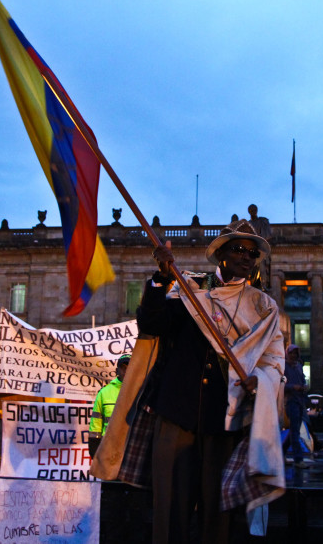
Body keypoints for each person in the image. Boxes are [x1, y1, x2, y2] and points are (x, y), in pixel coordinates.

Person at [94, 219, 285, 543]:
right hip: (176, 417)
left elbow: (273, 361)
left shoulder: (262, 306)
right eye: (239, 249)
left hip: (224, 423)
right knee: (170, 515)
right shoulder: (190, 291)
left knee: (218, 519)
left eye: (252, 254)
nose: (246, 257)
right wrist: (159, 280)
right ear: (221, 254)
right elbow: (152, 325)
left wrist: (261, 379)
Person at [88, 354, 130, 457]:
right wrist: (94, 449)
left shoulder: (140, 391)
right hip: (109, 448)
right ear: (117, 371)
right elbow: (96, 423)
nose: (125, 371)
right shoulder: (104, 393)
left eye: (129, 367)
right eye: (123, 368)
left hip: (131, 447)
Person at [283, 344, 309, 468]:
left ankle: (281, 453)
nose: (293, 355)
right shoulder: (283, 367)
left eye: (295, 353)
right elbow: (281, 385)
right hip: (290, 401)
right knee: (295, 431)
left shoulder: (298, 366)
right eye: (292, 353)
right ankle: (298, 459)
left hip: (299, 400)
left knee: (295, 430)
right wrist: (294, 387)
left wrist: (304, 386)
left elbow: (302, 379)